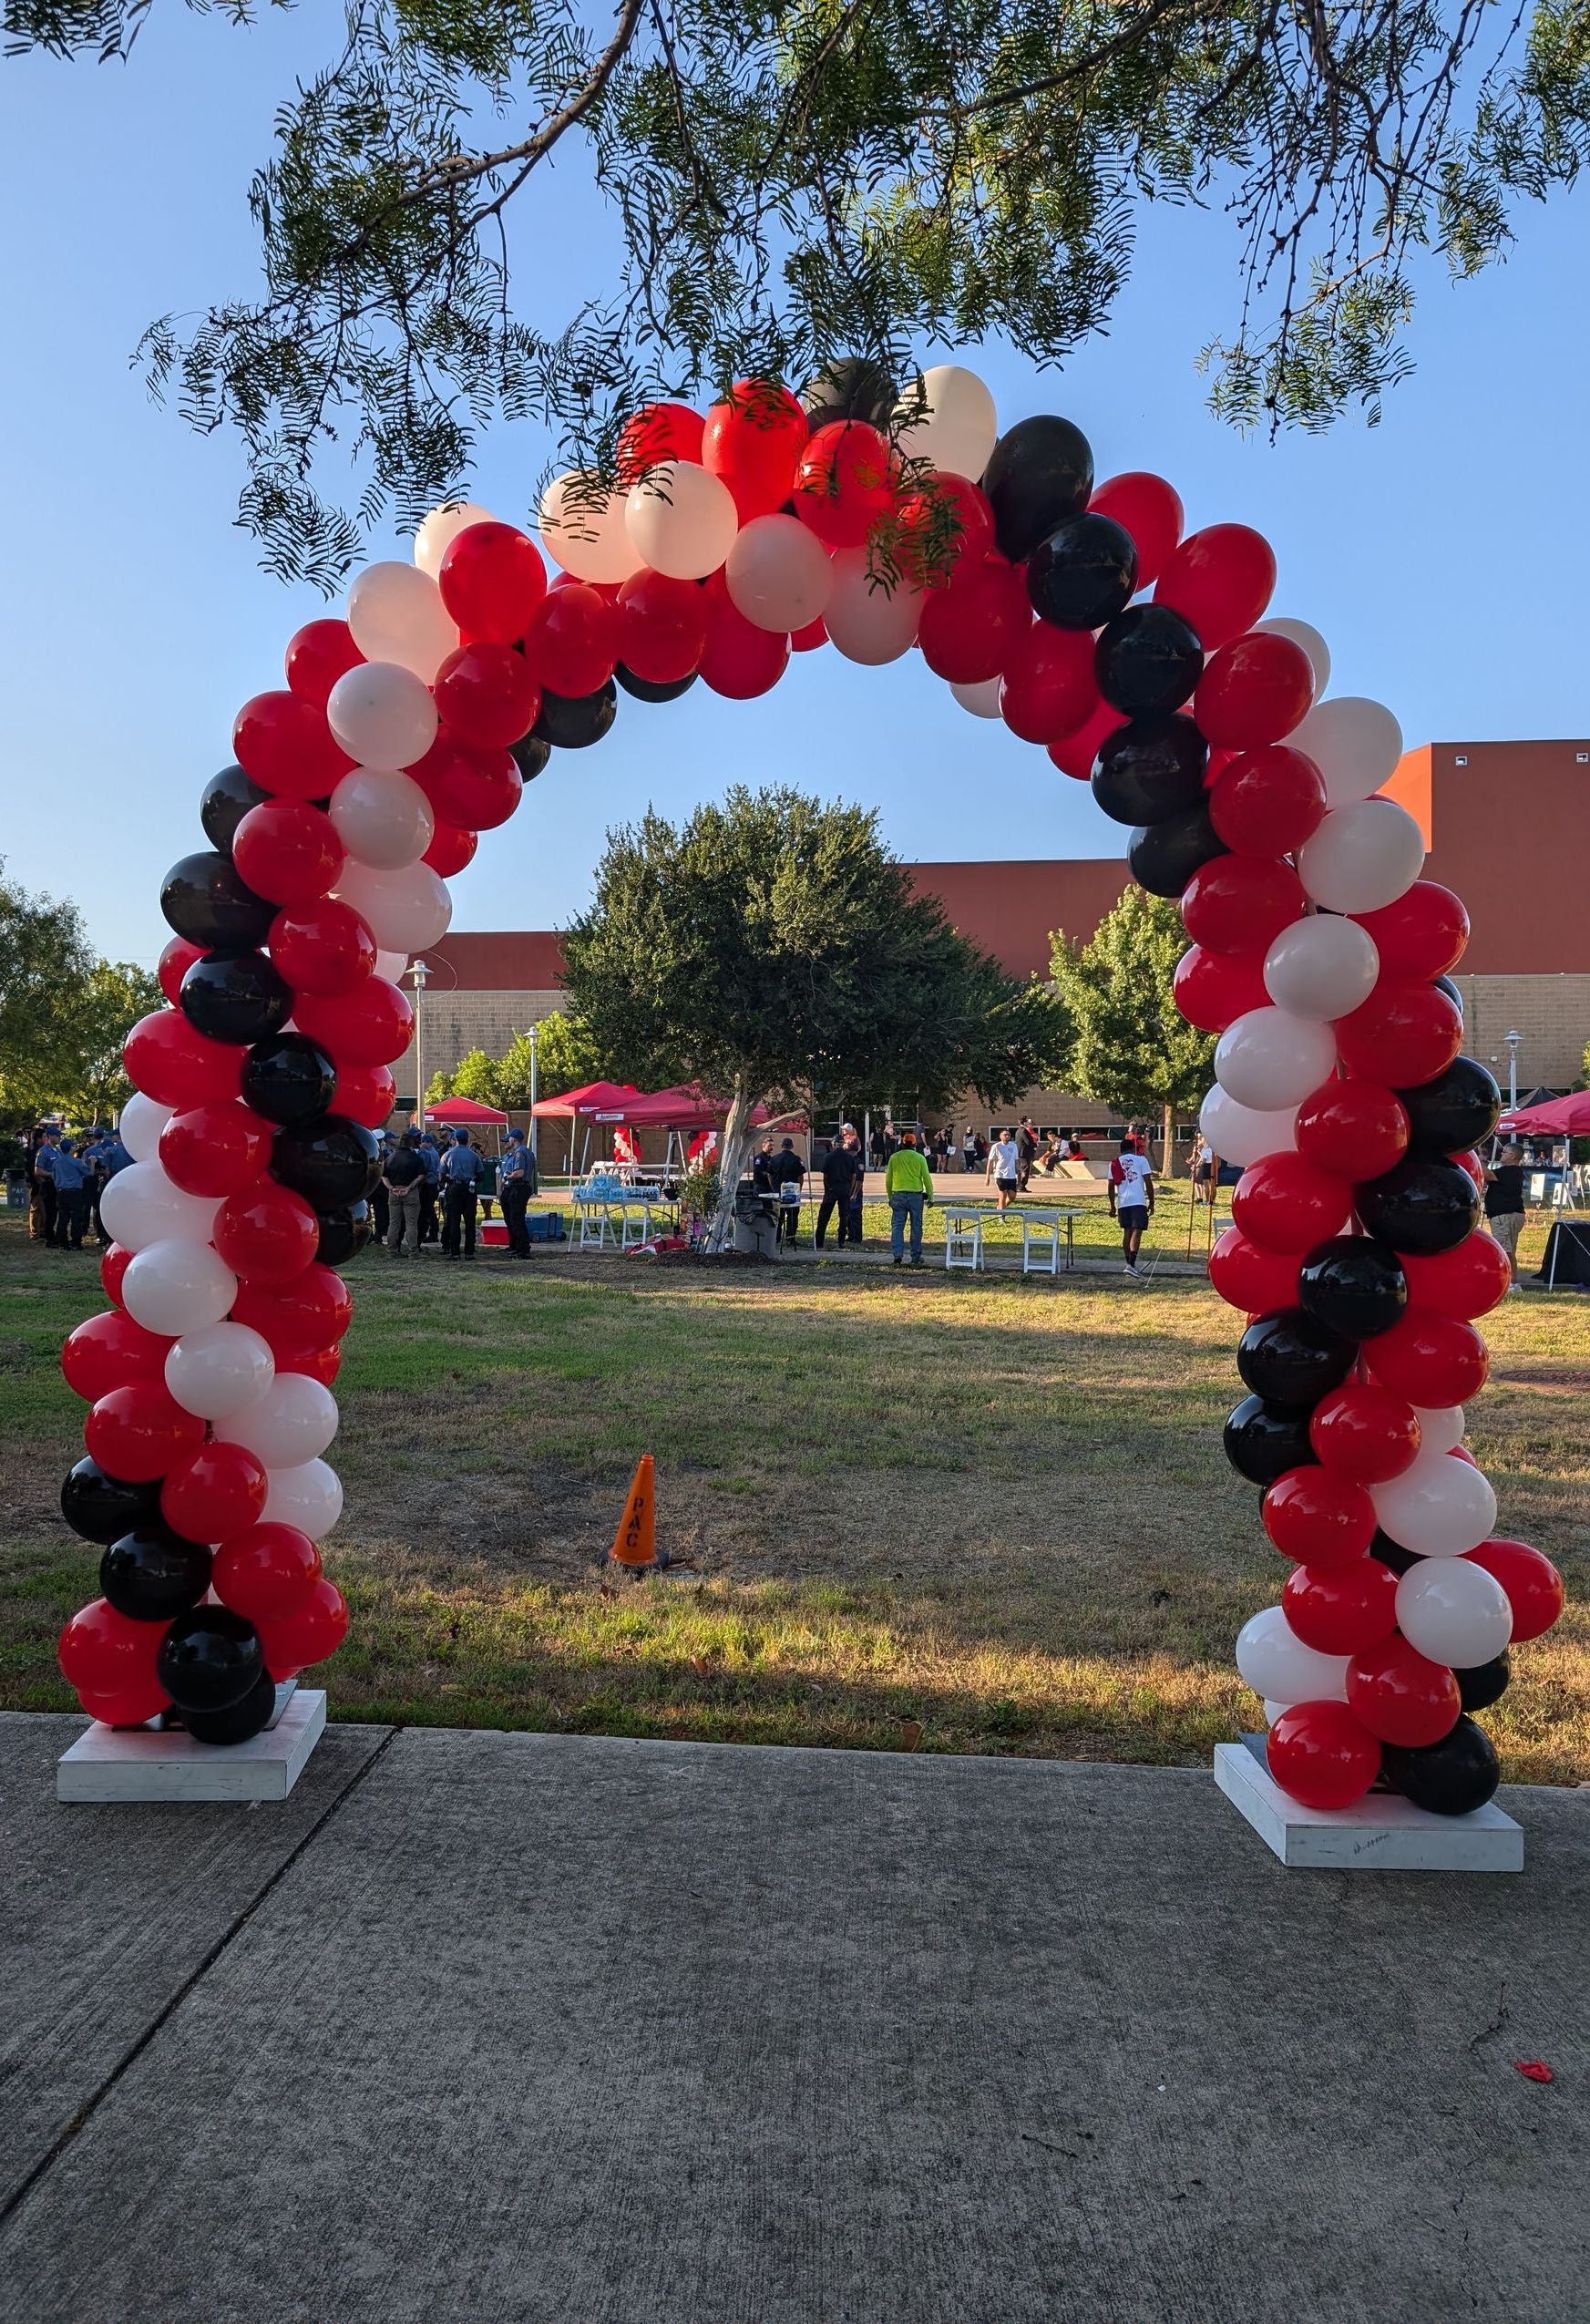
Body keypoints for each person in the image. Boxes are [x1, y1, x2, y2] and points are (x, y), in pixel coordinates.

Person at [885, 1130, 934, 1265]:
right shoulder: (919, 1158)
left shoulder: (894, 1157)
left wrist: (890, 1196)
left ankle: (897, 1255)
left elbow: (888, 1180)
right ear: (914, 1144)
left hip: (898, 1195)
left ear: (902, 1144)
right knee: (916, 1226)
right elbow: (927, 1179)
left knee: (897, 1226)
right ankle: (916, 1256)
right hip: (916, 1197)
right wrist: (931, 1196)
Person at [1109, 1135, 1155, 1278]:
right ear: (1133, 1149)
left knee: (1126, 1231)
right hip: (1138, 1200)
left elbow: (1110, 1186)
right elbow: (1148, 1182)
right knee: (1137, 1230)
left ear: (1121, 1150)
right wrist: (1152, 1202)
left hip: (1123, 1202)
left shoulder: (1114, 1163)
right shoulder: (1141, 1160)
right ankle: (1132, 1264)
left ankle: (1128, 1263)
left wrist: (1112, 1206)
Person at [1484, 1143, 1526, 1276]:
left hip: (1505, 1216)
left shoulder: (1510, 1171)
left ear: (1512, 1156)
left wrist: (1479, 1159)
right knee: (1509, 1250)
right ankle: (1513, 1282)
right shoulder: (1510, 1172)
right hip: (1508, 1215)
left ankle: (1508, 1280)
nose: (1501, 1154)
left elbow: (1487, 1175)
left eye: (1504, 1152)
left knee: (1503, 1250)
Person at [438, 1126, 480, 1259]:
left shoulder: (447, 1155)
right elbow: (481, 1175)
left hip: (453, 1189)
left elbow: (441, 1176)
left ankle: (454, 1252)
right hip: (469, 1190)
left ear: (455, 1139)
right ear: (467, 1140)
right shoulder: (474, 1155)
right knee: (470, 1222)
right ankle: (469, 1251)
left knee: (453, 1221)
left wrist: (450, 1179)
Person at [816, 1133, 863, 1249]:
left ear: (833, 1143)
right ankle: (841, 1240)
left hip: (832, 1188)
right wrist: (850, 1190)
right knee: (844, 1216)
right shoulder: (849, 1158)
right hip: (845, 1189)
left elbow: (825, 1176)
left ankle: (819, 1241)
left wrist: (827, 1189)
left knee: (824, 1216)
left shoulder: (829, 1156)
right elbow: (853, 1176)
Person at [384, 1131, 426, 1258]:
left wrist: (391, 1188)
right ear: (411, 1144)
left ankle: (391, 1251)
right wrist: (409, 1187)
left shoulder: (390, 1158)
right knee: (411, 1224)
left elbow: (384, 1176)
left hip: (394, 1193)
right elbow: (421, 1175)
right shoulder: (416, 1158)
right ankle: (413, 1251)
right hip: (410, 1194)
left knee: (394, 1223)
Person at [498, 1126, 538, 1258]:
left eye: (509, 1138)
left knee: (517, 1219)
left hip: (519, 1187)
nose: (508, 1140)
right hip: (524, 1187)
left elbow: (519, 1173)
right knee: (516, 1218)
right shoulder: (528, 1151)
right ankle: (518, 1247)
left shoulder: (519, 1152)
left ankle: (522, 1249)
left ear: (513, 1139)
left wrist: (506, 1177)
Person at [50, 1137, 91, 1249]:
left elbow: (54, 1177)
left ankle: (62, 1242)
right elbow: (89, 1173)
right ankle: (76, 1242)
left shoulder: (56, 1163)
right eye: (73, 1146)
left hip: (61, 1192)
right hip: (74, 1192)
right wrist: (92, 1162)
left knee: (63, 1217)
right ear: (71, 1148)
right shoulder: (77, 1162)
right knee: (76, 1217)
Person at [768, 1136, 805, 1246]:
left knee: (777, 1216)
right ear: (792, 1147)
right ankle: (790, 1238)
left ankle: (776, 1237)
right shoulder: (796, 1159)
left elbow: (769, 1175)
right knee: (792, 1217)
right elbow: (800, 1177)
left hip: (777, 1192)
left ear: (782, 1146)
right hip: (792, 1193)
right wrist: (799, 1190)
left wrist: (773, 1187)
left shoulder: (774, 1159)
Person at [30, 1128, 61, 1247]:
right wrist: (51, 1174)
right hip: (48, 1185)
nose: (59, 1137)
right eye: (57, 1135)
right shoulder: (43, 1151)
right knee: (49, 1211)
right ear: (50, 1136)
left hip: (58, 1184)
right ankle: (49, 1238)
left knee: (56, 1212)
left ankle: (54, 1236)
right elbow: (38, 1170)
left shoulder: (57, 1151)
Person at [985, 1126, 1021, 1212]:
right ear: (1001, 1137)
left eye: (1008, 1135)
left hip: (1011, 1175)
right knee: (1003, 1196)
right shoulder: (996, 1147)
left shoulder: (1013, 1146)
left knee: (1012, 1197)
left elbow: (1016, 1160)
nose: (1007, 1136)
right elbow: (990, 1162)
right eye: (1005, 1135)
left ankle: (1000, 1208)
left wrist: (1019, 1171)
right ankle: (1001, 1215)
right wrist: (987, 1177)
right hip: (1000, 1175)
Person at [416, 1132, 441, 1245]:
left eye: (423, 1142)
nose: (421, 1144)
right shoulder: (434, 1152)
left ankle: (432, 1233)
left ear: (428, 1143)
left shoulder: (427, 1153)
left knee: (427, 1211)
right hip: (433, 1184)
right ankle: (432, 1232)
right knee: (429, 1210)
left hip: (428, 1185)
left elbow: (425, 1168)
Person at [1191, 1134, 1217, 1208]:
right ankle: (1213, 1200)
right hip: (1213, 1166)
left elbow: (1203, 1160)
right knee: (1213, 1185)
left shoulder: (1204, 1150)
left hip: (1206, 1167)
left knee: (1206, 1185)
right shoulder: (1213, 1149)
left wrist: (1197, 1166)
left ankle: (1207, 1200)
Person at [1016, 1116, 1039, 1191]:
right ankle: (1022, 1186)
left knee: (1021, 1170)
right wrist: (1035, 1145)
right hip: (1025, 1153)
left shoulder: (1018, 1130)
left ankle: (1019, 1185)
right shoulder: (1024, 1131)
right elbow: (1028, 1142)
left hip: (1020, 1153)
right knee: (1025, 1169)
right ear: (1025, 1123)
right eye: (1027, 1122)